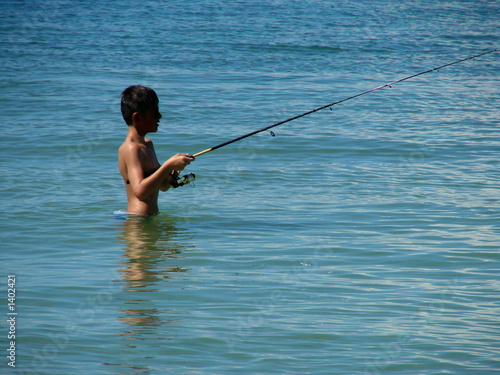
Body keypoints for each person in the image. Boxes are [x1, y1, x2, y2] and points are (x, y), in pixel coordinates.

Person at [118, 85, 194, 215]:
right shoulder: (131, 149)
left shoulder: (148, 145)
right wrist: (167, 166)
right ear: (137, 118)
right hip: (137, 222)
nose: (160, 116)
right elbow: (140, 192)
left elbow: (162, 187)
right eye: (154, 113)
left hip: (149, 220)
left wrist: (171, 173)